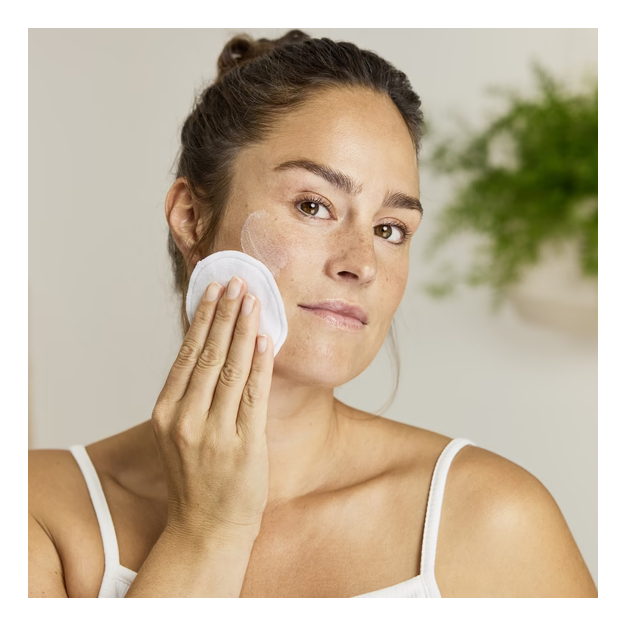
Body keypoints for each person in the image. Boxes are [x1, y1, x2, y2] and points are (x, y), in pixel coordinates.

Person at [27, 30, 598, 598]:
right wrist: (207, 532)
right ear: (191, 217)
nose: (361, 263)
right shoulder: (45, 512)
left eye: (389, 229)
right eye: (313, 205)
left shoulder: (492, 521)